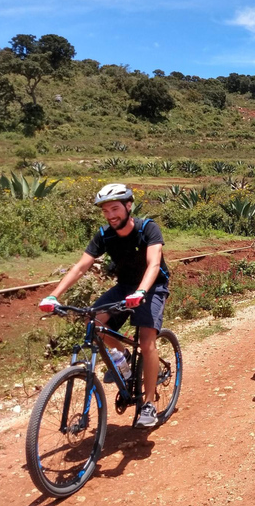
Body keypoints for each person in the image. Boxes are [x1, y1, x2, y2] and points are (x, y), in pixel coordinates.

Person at [38, 183, 170, 429]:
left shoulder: (148, 229)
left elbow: (153, 264)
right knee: (95, 321)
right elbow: (80, 267)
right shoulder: (104, 235)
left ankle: (149, 403)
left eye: (115, 209)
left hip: (152, 287)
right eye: (106, 211)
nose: (111, 215)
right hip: (125, 286)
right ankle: (123, 358)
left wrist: (141, 291)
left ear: (128, 206)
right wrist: (53, 296)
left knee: (147, 340)